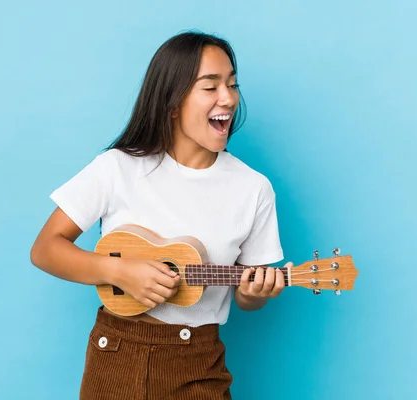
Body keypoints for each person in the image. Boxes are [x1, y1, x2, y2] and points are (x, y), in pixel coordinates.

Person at [30, 30, 291, 399]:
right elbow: (45, 249)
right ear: (172, 101)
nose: (228, 98)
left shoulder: (253, 188)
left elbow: (249, 299)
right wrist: (117, 270)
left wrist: (256, 292)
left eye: (232, 85)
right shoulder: (117, 168)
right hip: (116, 354)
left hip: (199, 362)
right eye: (210, 86)